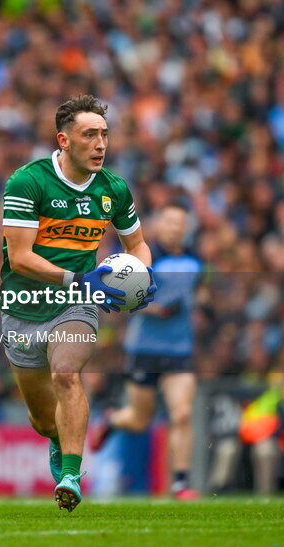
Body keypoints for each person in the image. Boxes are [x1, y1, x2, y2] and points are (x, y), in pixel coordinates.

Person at [0, 94, 157, 512]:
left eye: (104, 134)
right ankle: (56, 438)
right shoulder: (27, 182)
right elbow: (20, 257)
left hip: (76, 303)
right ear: (64, 141)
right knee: (42, 419)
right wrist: (80, 277)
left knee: (67, 375)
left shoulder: (114, 189)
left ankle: (71, 475)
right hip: (20, 306)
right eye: (90, 135)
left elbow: (137, 244)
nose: (101, 143)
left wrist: (143, 276)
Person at [90, 202, 201, 500]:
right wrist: (157, 310)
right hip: (145, 348)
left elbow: (196, 292)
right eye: (170, 222)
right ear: (158, 226)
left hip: (180, 349)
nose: (175, 228)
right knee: (140, 420)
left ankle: (180, 483)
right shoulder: (142, 257)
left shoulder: (195, 257)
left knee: (182, 413)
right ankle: (112, 421)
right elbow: (122, 297)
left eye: (180, 222)